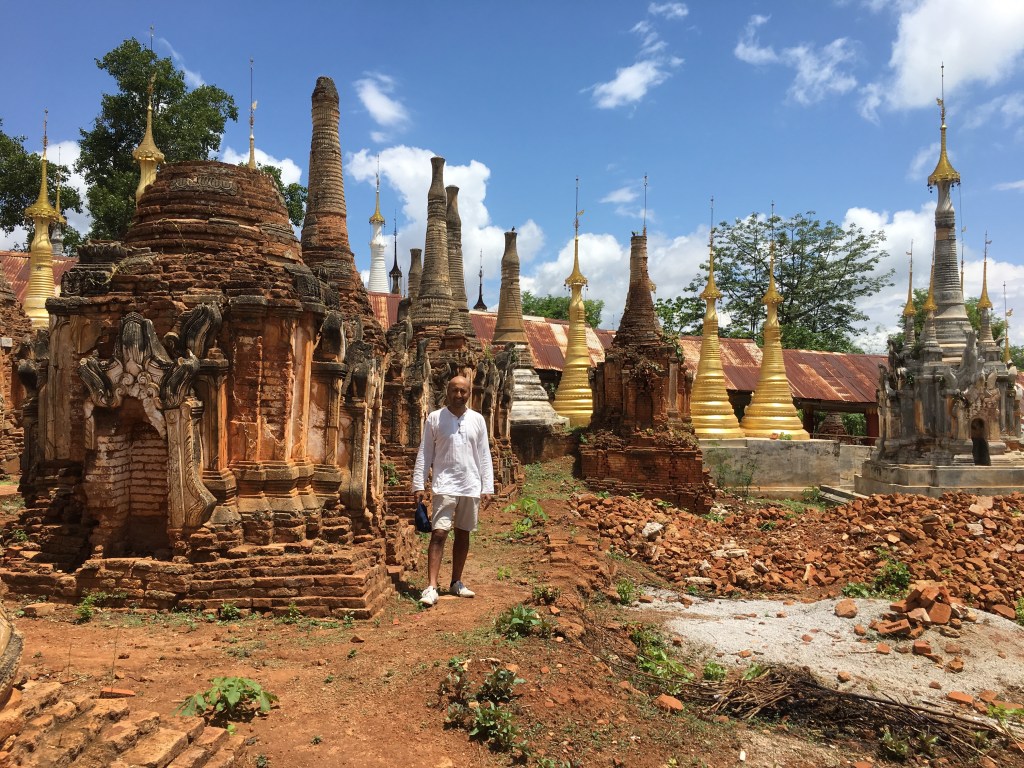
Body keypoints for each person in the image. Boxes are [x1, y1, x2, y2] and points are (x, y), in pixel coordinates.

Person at [412, 375, 494, 607]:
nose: (459, 395)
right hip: (444, 485)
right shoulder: (435, 418)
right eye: (455, 391)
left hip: (470, 485)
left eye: (463, 391)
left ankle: (456, 581)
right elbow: (425, 452)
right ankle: (431, 586)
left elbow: (484, 454)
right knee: (439, 533)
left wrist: (487, 486)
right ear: (447, 392)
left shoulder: (477, 420)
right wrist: (418, 483)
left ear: (469, 393)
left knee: (463, 533)